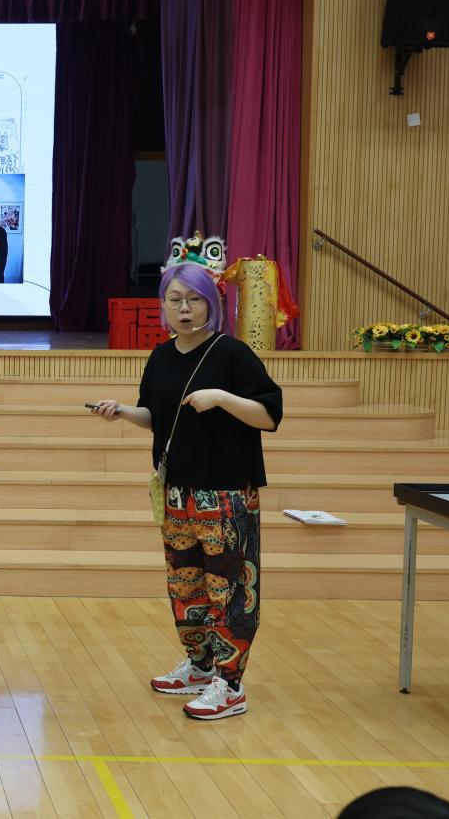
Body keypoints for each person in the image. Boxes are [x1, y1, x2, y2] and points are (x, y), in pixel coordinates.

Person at [91, 261, 282, 721]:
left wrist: (222, 398)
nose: (184, 308)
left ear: (212, 304)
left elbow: (269, 416)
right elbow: (155, 417)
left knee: (229, 589)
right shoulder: (160, 357)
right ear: (163, 305)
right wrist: (122, 411)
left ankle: (230, 685)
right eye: (175, 299)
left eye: (194, 299)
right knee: (186, 584)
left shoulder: (232, 354)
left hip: (227, 494)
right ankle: (200, 665)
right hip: (177, 492)